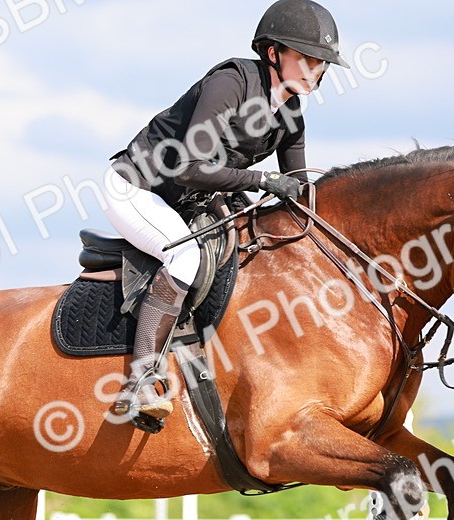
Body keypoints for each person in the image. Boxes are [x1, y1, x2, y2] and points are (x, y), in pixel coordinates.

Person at [104, 0, 348, 424]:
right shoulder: (232, 82)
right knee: (187, 257)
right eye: (306, 58)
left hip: (188, 198)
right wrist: (261, 182)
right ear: (273, 53)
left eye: (321, 62)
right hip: (138, 188)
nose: (316, 69)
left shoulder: (291, 112)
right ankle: (140, 382)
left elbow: (299, 191)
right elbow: (189, 168)